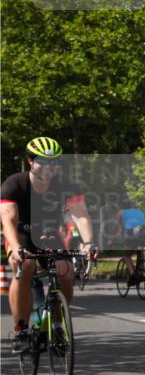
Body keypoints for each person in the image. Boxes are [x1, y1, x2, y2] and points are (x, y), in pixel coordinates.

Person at [1, 137, 96, 353]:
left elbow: (81, 215)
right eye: (43, 161)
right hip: (21, 234)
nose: (49, 166)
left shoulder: (67, 184)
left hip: (48, 233)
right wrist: (16, 248)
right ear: (30, 161)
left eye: (55, 162)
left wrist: (88, 243)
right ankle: (21, 329)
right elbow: (8, 221)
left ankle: (56, 323)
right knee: (24, 268)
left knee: (65, 271)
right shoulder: (14, 184)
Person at [118, 205, 145, 284]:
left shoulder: (120, 212)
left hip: (133, 232)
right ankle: (141, 271)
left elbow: (118, 229)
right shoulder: (140, 212)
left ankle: (133, 275)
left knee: (127, 255)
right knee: (140, 249)